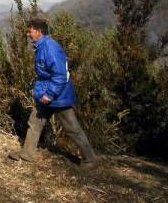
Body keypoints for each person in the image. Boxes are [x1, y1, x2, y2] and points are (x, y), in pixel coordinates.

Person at [8, 17, 99, 170]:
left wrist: (49, 94)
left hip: (57, 96)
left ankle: (91, 160)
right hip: (46, 94)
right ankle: (27, 154)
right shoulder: (43, 47)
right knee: (35, 122)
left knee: (72, 128)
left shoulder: (50, 48)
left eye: (30, 31)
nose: (28, 34)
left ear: (38, 32)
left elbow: (60, 75)